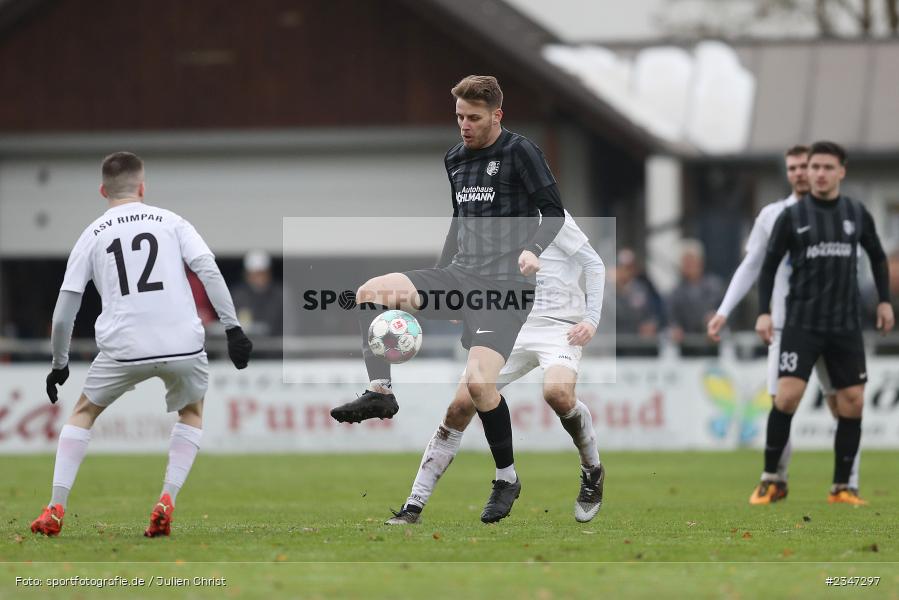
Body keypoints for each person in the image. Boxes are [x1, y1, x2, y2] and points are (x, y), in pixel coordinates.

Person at [330, 75, 565, 523]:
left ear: (497, 115)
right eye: (459, 116)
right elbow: (459, 222)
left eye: (473, 118)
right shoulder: (455, 158)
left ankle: (507, 478)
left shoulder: (521, 152)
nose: (464, 126)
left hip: (506, 290)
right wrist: (440, 284)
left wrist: (533, 250)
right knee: (370, 294)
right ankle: (381, 391)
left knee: (478, 386)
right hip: (460, 276)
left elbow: (553, 211)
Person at [30, 152, 253, 537]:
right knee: (192, 412)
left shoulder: (93, 233)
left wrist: (59, 362)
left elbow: (66, 307)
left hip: (124, 346)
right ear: (143, 187)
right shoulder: (172, 222)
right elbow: (209, 271)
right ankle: (166, 499)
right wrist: (233, 328)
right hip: (182, 342)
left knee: (83, 412)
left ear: (103, 190)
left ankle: (55, 507)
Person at [385, 212, 605, 525]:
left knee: (557, 394)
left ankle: (592, 470)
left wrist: (591, 320)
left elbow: (593, 264)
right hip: (508, 322)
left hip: (559, 326)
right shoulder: (496, 212)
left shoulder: (552, 215)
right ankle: (413, 506)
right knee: (459, 407)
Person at [707, 145, 856, 498]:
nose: (801, 173)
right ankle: (777, 479)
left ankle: (848, 484)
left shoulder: (841, 214)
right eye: (793, 168)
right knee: (782, 403)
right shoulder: (773, 215)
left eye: (806, 166)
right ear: (788, 173)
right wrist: (725, 310)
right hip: (787, 328)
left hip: (834, 327)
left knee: (845, 406)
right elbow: (752, 266)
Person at [752, 141, 894, 506]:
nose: (818, 173)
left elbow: (878, 256)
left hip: (844, 325)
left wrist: (884, 302)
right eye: (814, 167)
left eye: (827, 167)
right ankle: (770, 480)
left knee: (853, 402)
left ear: (841, 171)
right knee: (786, 397)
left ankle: (842, 486)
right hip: (802, 323)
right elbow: (768, 266)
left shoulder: (856, 212)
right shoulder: (793, 216)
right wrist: (765, 311)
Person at [667, 239, 724, 353]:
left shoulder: (715, 286)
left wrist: (717, 318)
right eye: (685, 262)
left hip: (714, 347)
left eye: (691, 260)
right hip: (687, 350)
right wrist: (675, 328)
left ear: (700, 262)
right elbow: (671, 317)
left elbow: (728, 312)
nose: (688, 265)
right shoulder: (676, 292)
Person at [231, 250, 284, 337]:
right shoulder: (238, 296)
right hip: (246, 346)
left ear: (269, 273)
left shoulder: (281, 295)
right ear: (246, 275)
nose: (259, 278)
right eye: (254, 274)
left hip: (275, 346)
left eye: (262, 273)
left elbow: (290, 326)